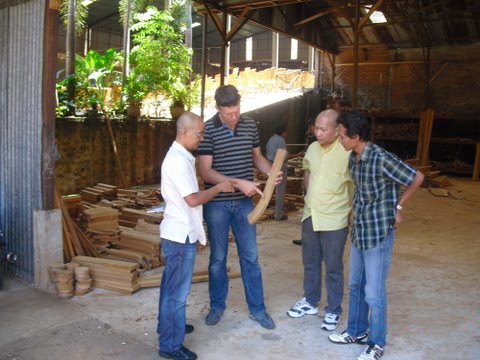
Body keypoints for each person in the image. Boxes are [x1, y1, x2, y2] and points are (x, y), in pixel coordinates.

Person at [329, 111, 424, 360]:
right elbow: (361, 189)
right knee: (355, 284)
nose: (339, 139)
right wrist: (353, 210)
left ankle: (377, 342)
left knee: (374, 291)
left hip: (379, 233)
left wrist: (399, 207)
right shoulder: (353, 158)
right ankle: (357, 331)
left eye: (341, 136)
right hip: (360, 231)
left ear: (356, 136)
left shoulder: (381, 158)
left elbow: (417, 177)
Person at [197, 85, 281, 330]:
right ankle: (217, 306)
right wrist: (237, 182)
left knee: (251, 258)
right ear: (218, 108)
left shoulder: (249, 125)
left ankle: (258, 309)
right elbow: (206, 172)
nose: (233, 118)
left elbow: (256, 156)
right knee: (218, 259)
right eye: (228, 113)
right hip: (217, 205)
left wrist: (269, 170)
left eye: (236, 111)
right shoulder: (208, 129)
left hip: (244, 203)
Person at [157, 112, 234, 360]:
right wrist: (219, 187)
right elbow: (192, 199)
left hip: (181, 232)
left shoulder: (183, 156)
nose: (202, 138)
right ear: (184, 132)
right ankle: (170, 345)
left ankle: (169, 326)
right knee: (177, 295)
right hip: (179, 236)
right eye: (199, 134)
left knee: (170, 289)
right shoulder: (177, 161)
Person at [287, 109, 353, 332]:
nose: (318, 132)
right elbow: (307, 171)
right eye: (316, 127)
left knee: (333, 267)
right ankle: (310, 301)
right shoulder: (313, 148)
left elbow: (355, 186)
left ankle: (333, 310)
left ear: (337, 130)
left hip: (335, 219)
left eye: (324, 129)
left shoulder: (346, 152)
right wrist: (307, 195)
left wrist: (351, 212)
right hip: (310, 215)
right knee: (310, 262)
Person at [266, 123, 289, 221]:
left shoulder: (271, 139)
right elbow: (283, 155)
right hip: (279, 165)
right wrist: (290, 155)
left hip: (270, 165)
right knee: (280, 190)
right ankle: (278, 214)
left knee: (270, 188)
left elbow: (267, 151)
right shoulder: (281, 140)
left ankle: (265, 207)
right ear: (283, 132)